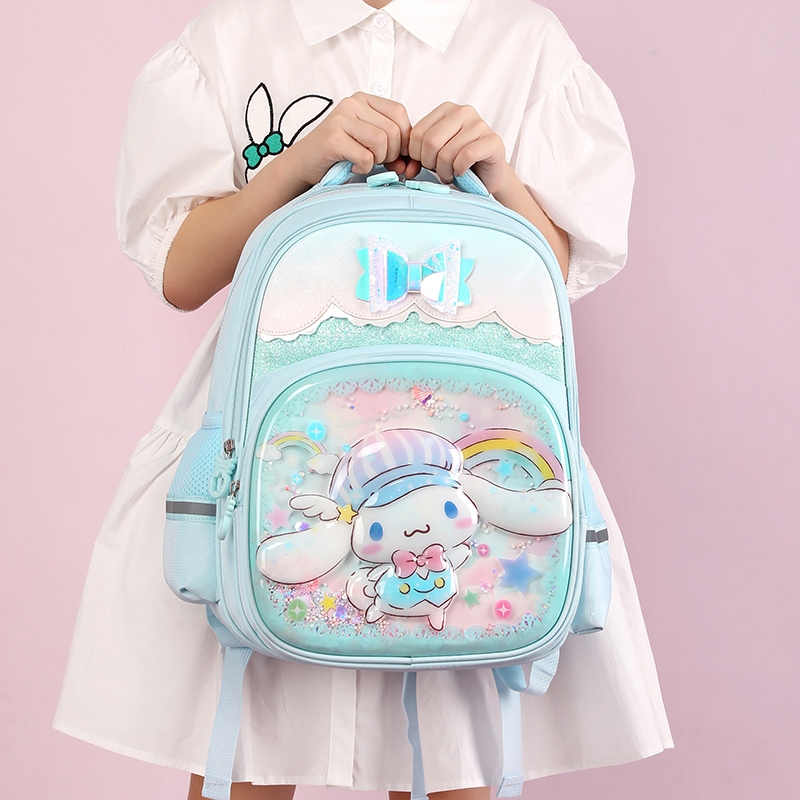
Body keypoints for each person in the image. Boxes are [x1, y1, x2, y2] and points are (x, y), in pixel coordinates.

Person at [54, 1, 673, 799]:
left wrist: (499, 177)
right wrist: (295, 167)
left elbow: (552, 276)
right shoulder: (237, 35)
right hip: (281, 452)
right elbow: (181, 272)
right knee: (255, 742)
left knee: (454, 751)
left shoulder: (521, 42)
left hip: (455, 434)